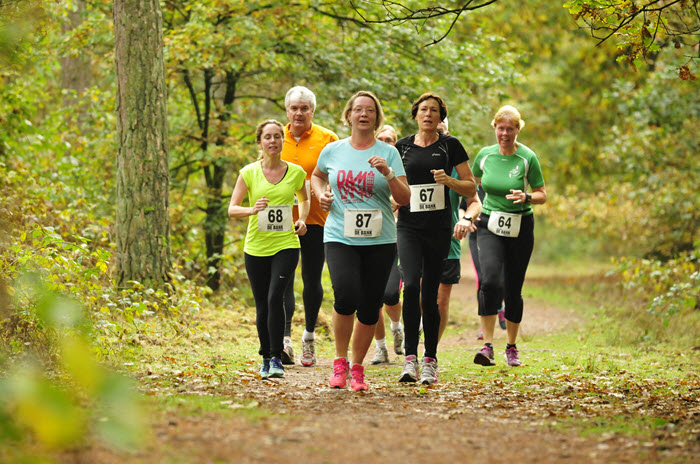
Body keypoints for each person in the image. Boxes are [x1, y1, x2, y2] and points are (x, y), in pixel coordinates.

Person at [311, 91, 411, 391]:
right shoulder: (334, 150)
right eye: (358, 110)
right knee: (345, 295)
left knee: (369, 305)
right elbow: (316, 177)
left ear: (376, 117)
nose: (363, 114)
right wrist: (321, 195)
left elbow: (404, 198)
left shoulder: (389, 153)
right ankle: (339, 364)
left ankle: (358, 369)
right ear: (349, 115)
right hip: (340, 234)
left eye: (370, 110)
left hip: (380, 239)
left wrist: (388, 173)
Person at [395, 93, 476, 385]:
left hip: (439, 228)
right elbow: (393, 184)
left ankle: (430, 358)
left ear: (441, 117)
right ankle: (408, 359)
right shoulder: (401, 146)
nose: (428, 115)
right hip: (408, 226)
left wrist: (449, 181)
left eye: (434, 111)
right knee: (411, 285)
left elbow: (470, 188)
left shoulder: (450, 146)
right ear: (415, 114)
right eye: (423, 110)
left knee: (430, 294)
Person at [228, 120, 310, 379]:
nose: (273, 141)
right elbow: (232, 209)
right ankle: (265, 357)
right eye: (268, 137)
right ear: (260, 142)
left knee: (276, 297)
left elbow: (304, 198)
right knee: (262, 304)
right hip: (256, 247)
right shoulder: (249, 172)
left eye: (277, 136)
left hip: (286, 244)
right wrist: (252, 210)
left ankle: (276, 357)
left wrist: (302, 219)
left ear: (282, 141)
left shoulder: (296, 172)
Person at [471, 105, 547, 367]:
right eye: (501, 128)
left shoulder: (527, 157)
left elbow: (542, 194)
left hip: (520, 226)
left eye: (510, 129)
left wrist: (526, 196)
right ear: (495, 128)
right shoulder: (484, 156)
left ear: (517, 130)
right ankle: (487, 345)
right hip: (490, 224)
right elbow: (473, 184)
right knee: (490, 281)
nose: (505, 133)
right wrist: (469, 210)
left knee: (513, 288)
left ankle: (511, 347)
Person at [280, 86, 339, 367]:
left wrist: (331, 196)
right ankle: (284, 340)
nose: (299, 113)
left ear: (312, 111)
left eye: (304, 108)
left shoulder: (328, 138)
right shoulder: (277, 137)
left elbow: (339, 177)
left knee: (311, 279)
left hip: (317, 221)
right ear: (287, 110)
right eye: (294, 108)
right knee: (282, 280)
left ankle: (309, 337)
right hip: (280, 221)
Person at [435, 118, 482, 342]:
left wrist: (466, 218)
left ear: (448, 133)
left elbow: (475, 200)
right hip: (415, 237)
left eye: (441, 132)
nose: (436, 136)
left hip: (447, 240)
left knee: (441, 302)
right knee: (418, 296)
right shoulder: (410, 157)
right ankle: (415, 341)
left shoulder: (456, 165)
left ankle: (429, 353)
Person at [370, 124, 405, 365]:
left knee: (391, 293)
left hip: (397, 237)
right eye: (381, 139)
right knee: (371, 296)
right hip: (369, 236)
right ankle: (380, 347)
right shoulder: (367, 167)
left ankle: (396, 326)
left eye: (390, 139)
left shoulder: (402, 170)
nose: (386, 142)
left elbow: (409, 197)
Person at [469, 185, 506, 341]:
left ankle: (499, 306)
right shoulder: (474, 187)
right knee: (484, 280)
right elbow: (463, 207)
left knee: (502, 281)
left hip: (503, 236)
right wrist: (466, 219)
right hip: (477, 236)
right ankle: (484, 327)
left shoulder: (505, 186)